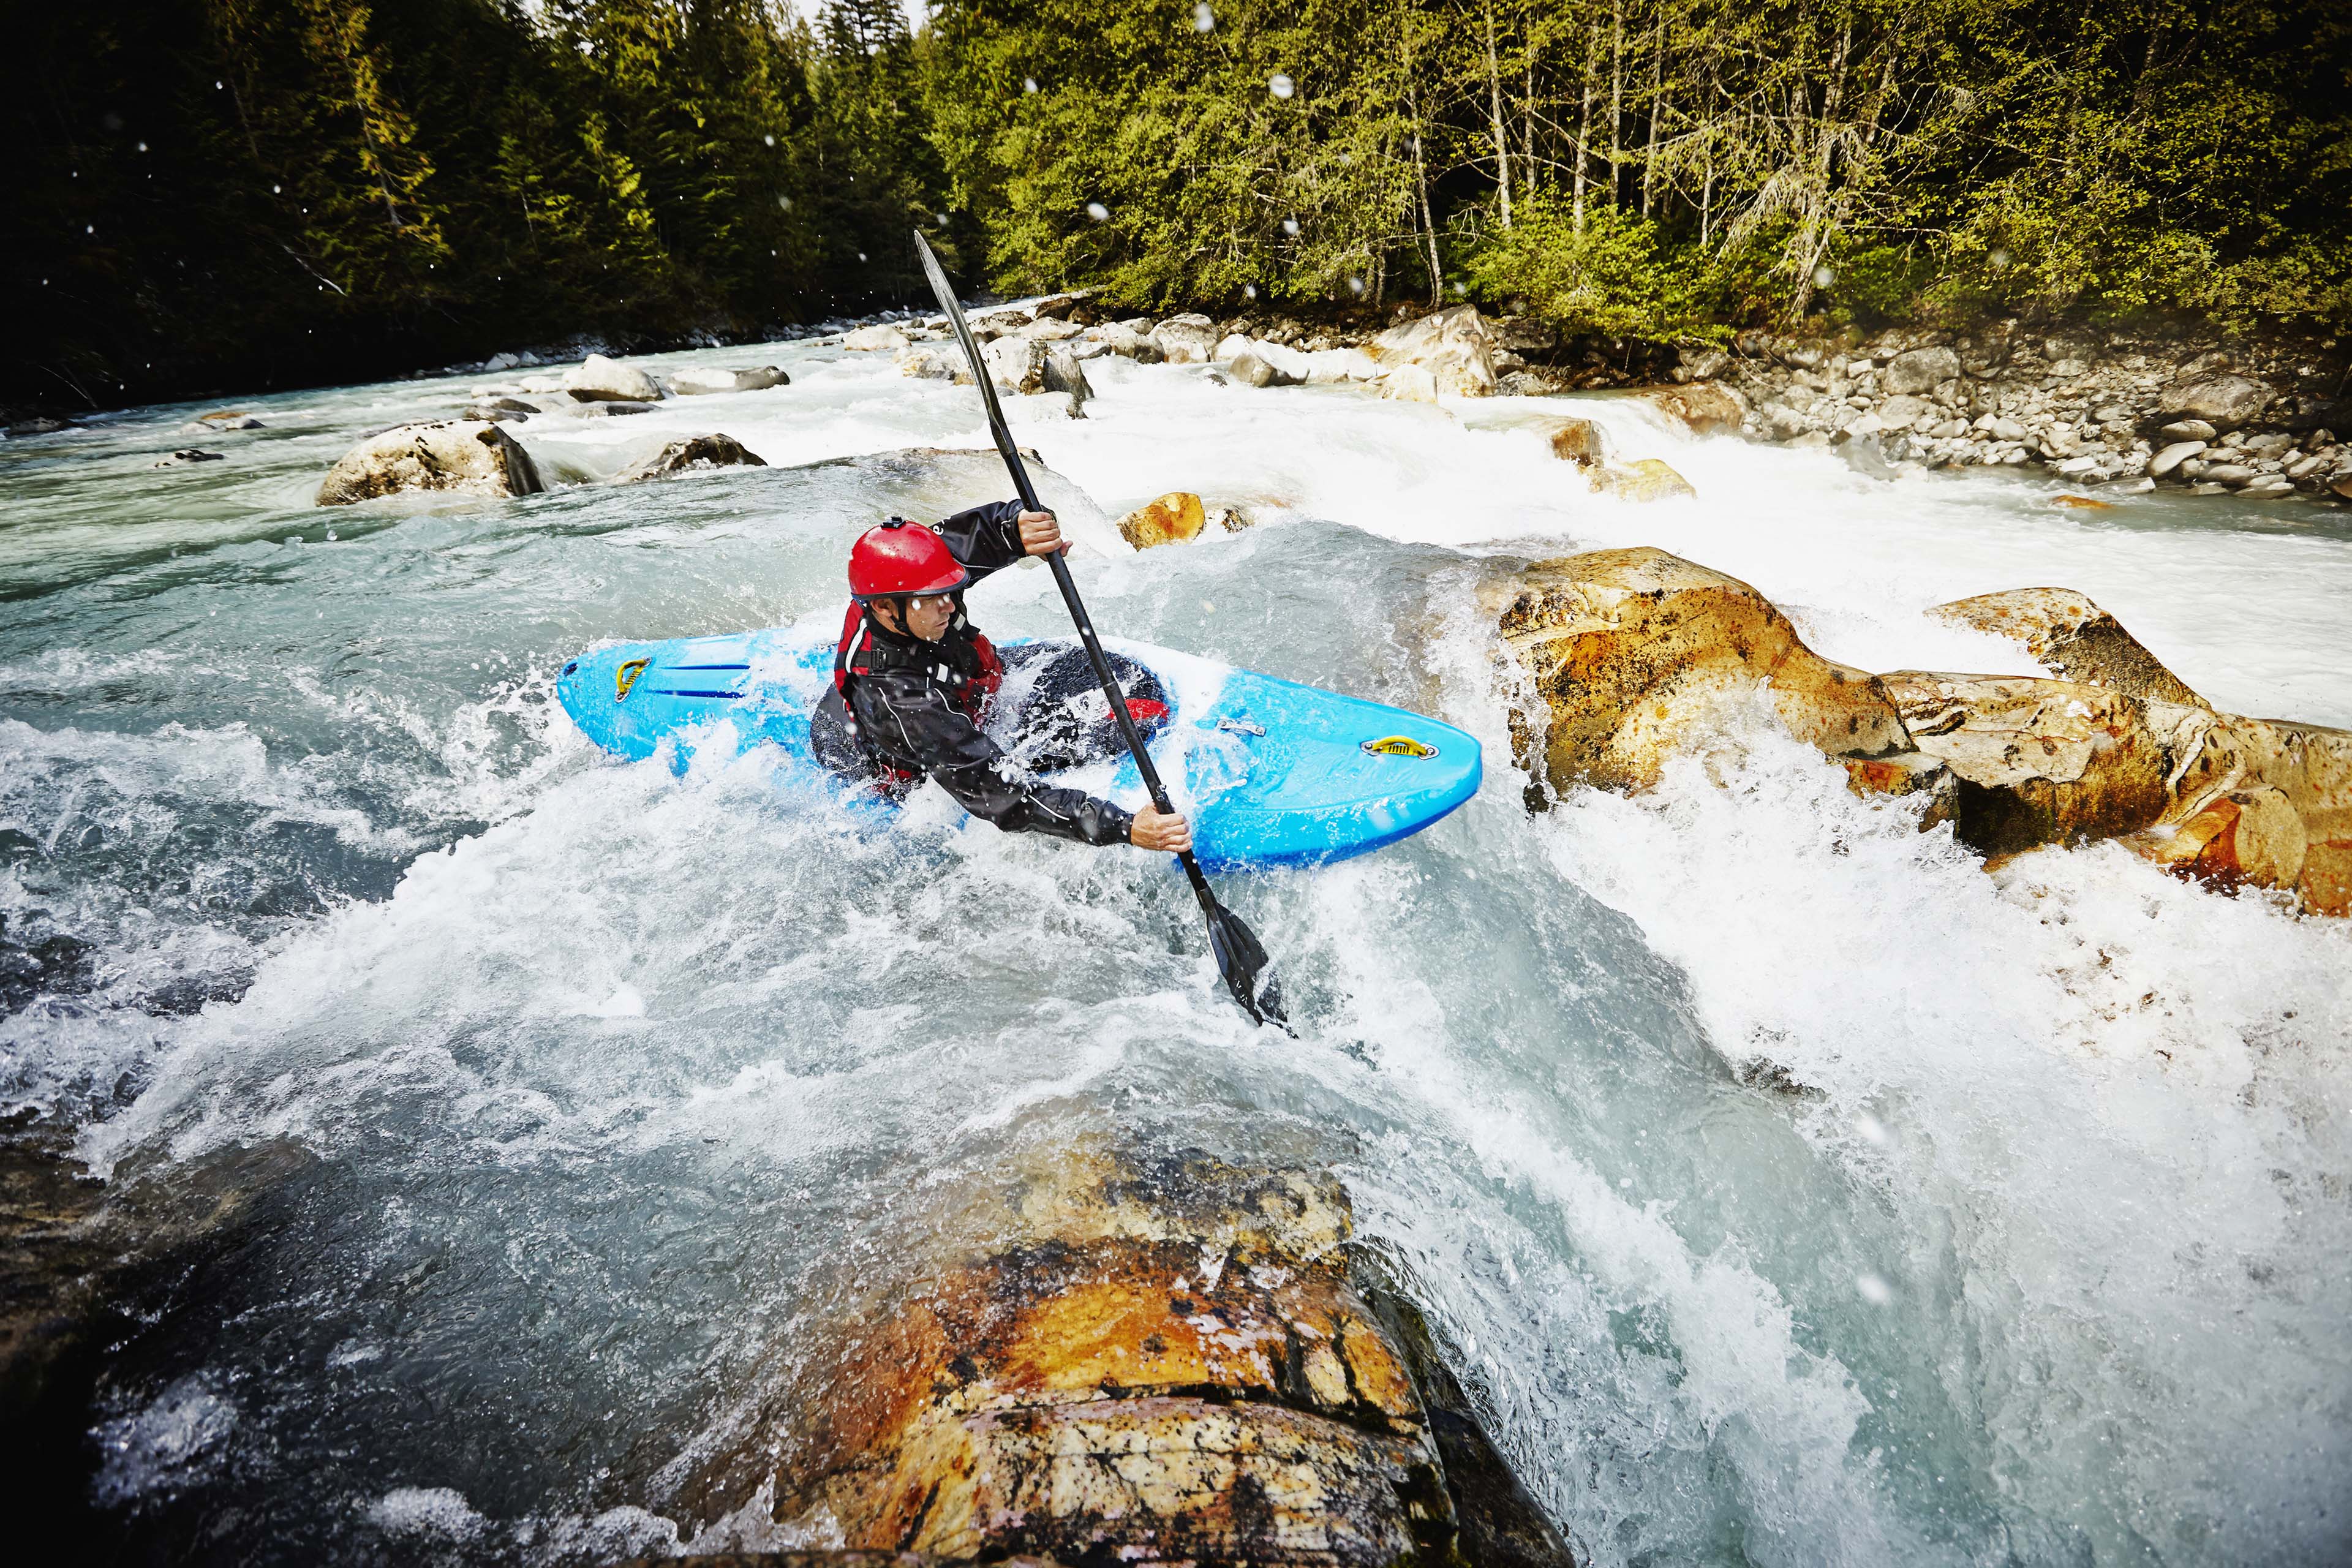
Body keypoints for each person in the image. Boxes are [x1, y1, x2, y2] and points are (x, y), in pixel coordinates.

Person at [810, 501, 1192, 853]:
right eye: (933, 599)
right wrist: (1123, 827)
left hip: (953, 683)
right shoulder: (901, 701)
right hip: (902, 754)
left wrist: (1016, 530)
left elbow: (969, 540)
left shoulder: (906, 585)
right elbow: (1002, 794)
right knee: (1093, 737)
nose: (949, 604)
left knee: (1106, 685)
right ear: (883, 608)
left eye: (952, 590)